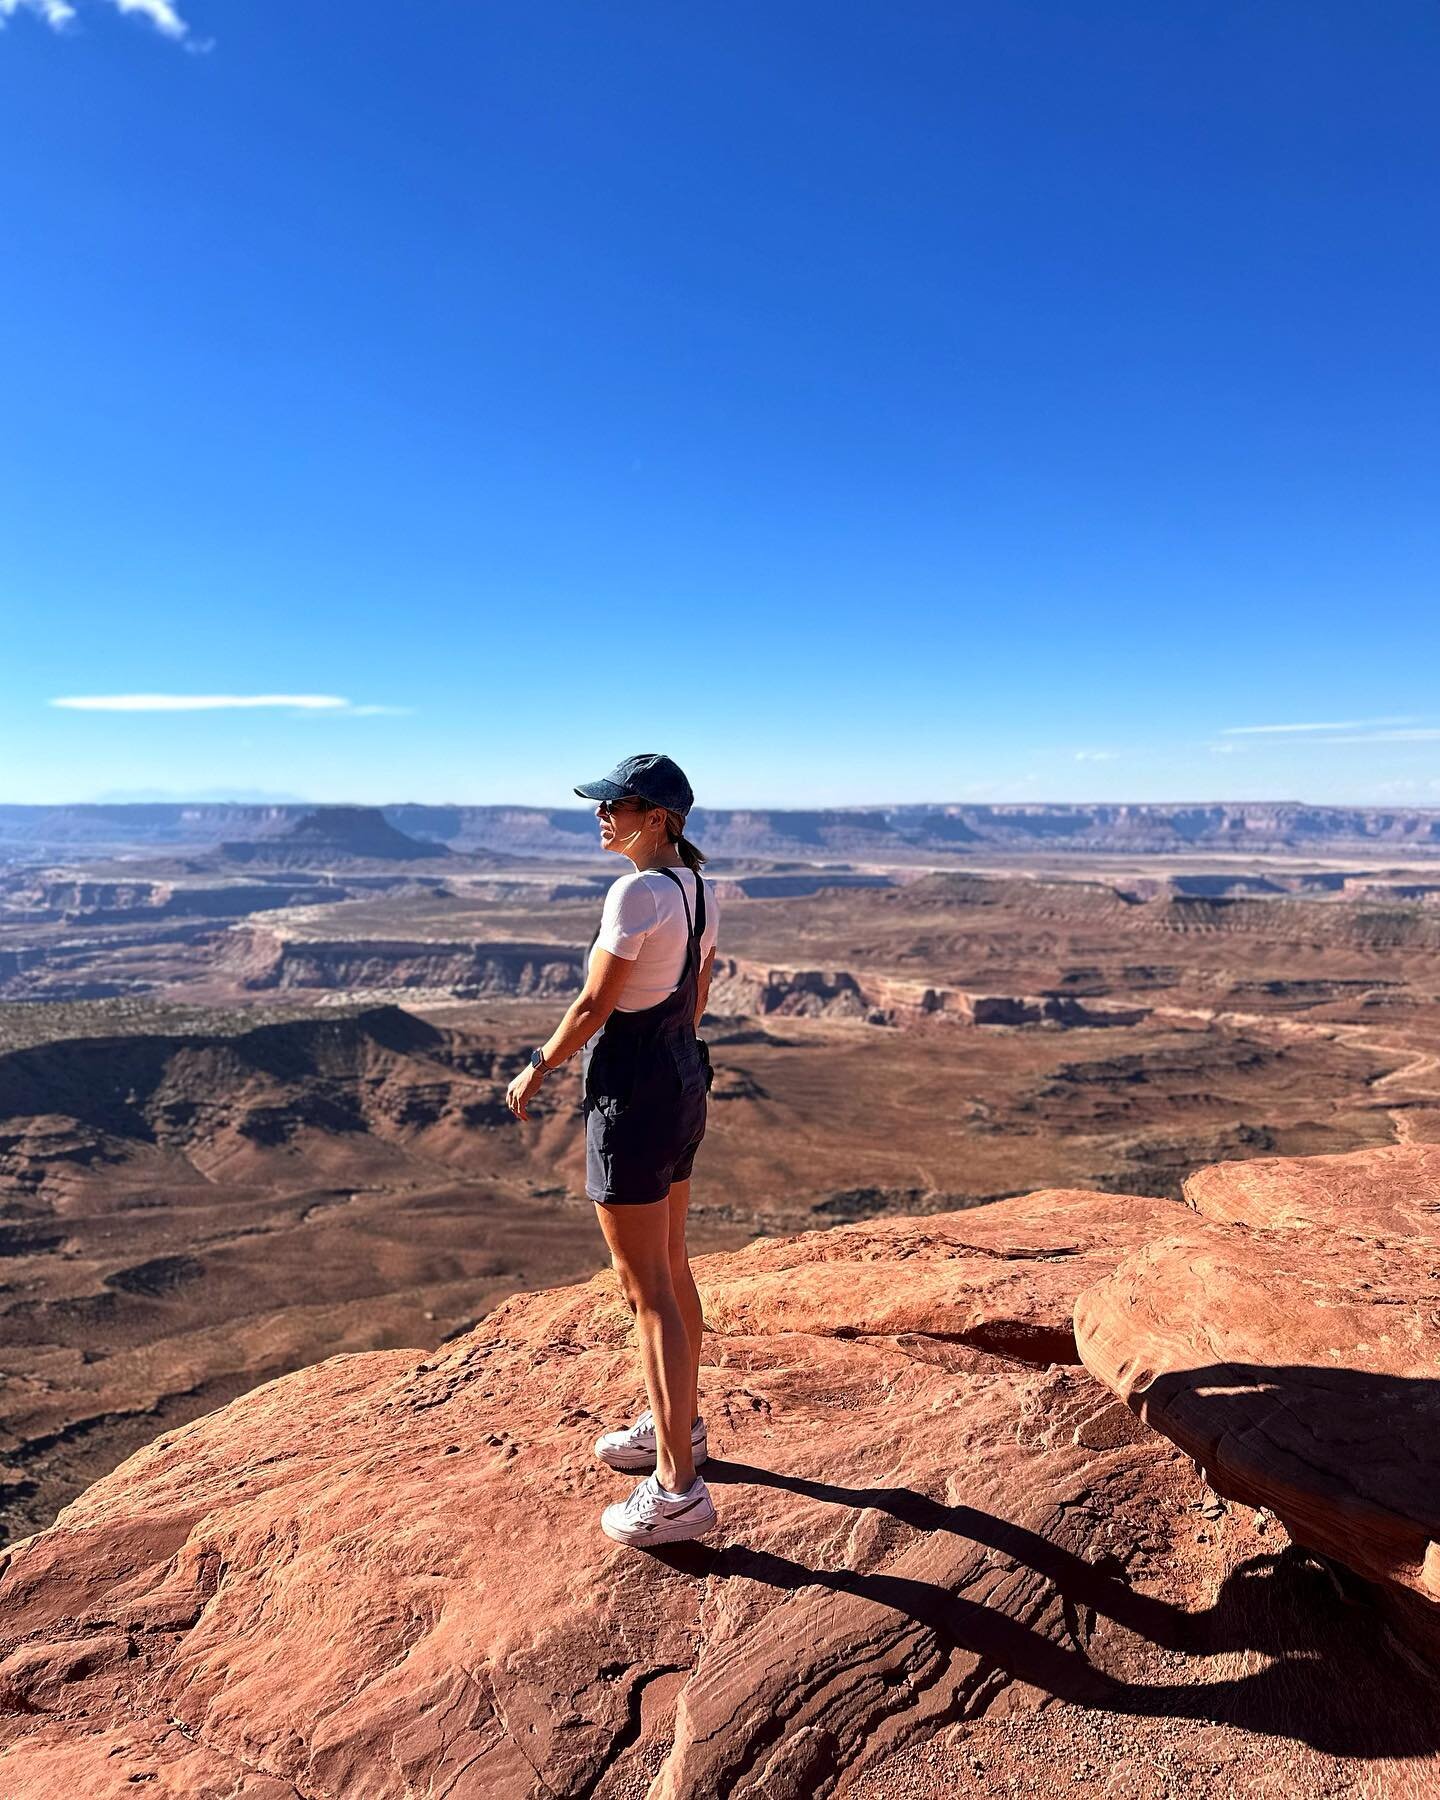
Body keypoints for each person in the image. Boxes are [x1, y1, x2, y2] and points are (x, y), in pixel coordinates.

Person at [505, 752, 720, 1547]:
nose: (603, 816)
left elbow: (597, 1000)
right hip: (681, 1080)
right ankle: (682, 1428)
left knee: (646, 1293)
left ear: (656, 818)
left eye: (617, 805)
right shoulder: (697, 889)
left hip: (633, 1094)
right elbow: (696, 994)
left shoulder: (635, 891)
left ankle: (678, 1490)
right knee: (674, 1269)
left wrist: (539, 1065)